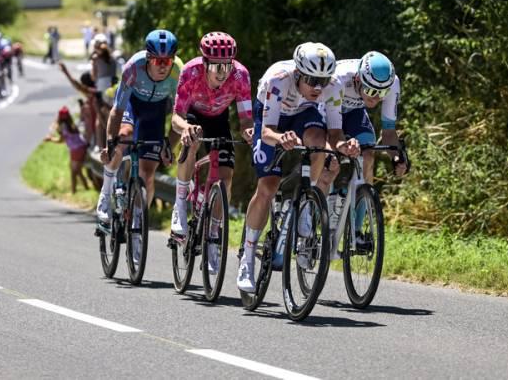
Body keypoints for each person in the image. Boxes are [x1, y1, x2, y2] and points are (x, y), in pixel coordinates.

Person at [236, 42, 359, 293]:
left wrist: (345, 146)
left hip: (304, 113)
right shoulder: (278, 80)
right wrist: (281, 138)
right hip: (272, 119)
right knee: (267, 187)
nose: (318, 87)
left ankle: (306, 204)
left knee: (318, 142)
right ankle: (247, 257)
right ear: (298, 74)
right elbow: (268, 131)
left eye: (323, 81)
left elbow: (335, 134)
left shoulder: (332, 86)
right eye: (312, 80)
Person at [170, 31, 254, 274]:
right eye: (217, 66)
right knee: (191, 143)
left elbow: (246, 120)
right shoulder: (191, 71)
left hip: (219, 119)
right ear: (205, 63)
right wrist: (185, 128)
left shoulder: (240, 75)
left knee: (226, 178)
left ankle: (214, 234)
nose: (222, 72)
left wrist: (249, 132)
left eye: (227, 65)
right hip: (193, 116)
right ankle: (180, 206)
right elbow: (176, 117)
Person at [96, 29, 182, 235]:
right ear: (148, 58)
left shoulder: (178, 72)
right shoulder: (134, 67)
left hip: (156, 111)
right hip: (132, 106)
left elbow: (180, 116)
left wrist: (169, 146)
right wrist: (110, 143)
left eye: (168, 61)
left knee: (148, 173)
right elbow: (117, 111)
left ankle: (138, 217)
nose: (163, 66)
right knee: (124, 134)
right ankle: (106, 193)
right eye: (158, 61)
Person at [333, 51, 409, 181]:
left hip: (354, 112)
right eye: (371, 91)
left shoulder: (392, 84)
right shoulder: (339, 78)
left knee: (368, 156)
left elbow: (389, 132)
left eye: (382, 93)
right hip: (326, 110)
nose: (376, 98)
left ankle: (364, 193)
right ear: (358, 80)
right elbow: (333, 131)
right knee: (329, 160)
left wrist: (396, 157)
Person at [47, 106, 92, 194]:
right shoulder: (71, 124)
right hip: (80, 147)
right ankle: (85, 188)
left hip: (76, 149)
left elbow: (61, 140)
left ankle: (74, 191)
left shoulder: (63, 126)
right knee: (77, 170)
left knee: (74, 172)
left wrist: (50, 139)